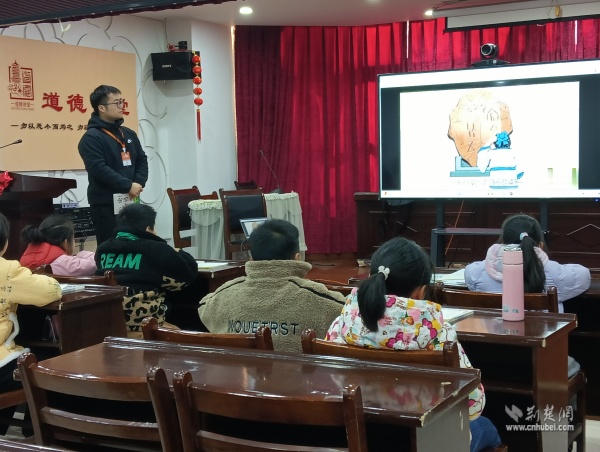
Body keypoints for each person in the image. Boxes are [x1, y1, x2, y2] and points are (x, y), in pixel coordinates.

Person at [326, 237, 501, 452]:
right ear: (421, 291)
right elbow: (472, 404)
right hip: (428, 442)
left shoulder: (342, 324)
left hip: (359, 439)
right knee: (487, 428)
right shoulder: (439, 335)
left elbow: (328, 384)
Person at [198, 219, 346, 353]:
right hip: (297, 375)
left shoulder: (221, 298)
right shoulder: (324, 301)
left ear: (251, 259)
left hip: (233, 374)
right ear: (297, 258)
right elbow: (345, 314)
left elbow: (203, 307)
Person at [95, 203, 198, 337]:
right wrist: (176, 251)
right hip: (144, 327)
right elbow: (188, 273)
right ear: (148, 229)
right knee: (189, 336)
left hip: (108, 327)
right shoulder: (155, 249)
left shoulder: (103, 249)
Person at [0, 212, 62, 434]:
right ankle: (41, 434)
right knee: (54, 364)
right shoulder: (7, 270)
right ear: (5, 244)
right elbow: (51, 291)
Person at [464, 213, 591, 313]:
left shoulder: (477, 273)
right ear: (540, 245)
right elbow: (584, 275)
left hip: (494, 337)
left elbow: (469, 271)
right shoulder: (555, 274)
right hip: (544, 337)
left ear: (503, 243)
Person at [78, 85, 148, 245]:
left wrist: (138, 183)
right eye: (117, 103)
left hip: (130, 201)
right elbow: (99, 169)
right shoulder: (91, 138)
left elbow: (142, 160)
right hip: (106, 205)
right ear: (101, 108)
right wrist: (128, 186)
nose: (121, 106)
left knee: (134, 245)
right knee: (112, 247)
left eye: (122, 101)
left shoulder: (128, 133)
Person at [19, 214, 96, 276]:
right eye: (73, 238)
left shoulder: (26, 259)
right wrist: (80, 254)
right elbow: (95, 262)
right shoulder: (64, 263)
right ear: (65, 243)